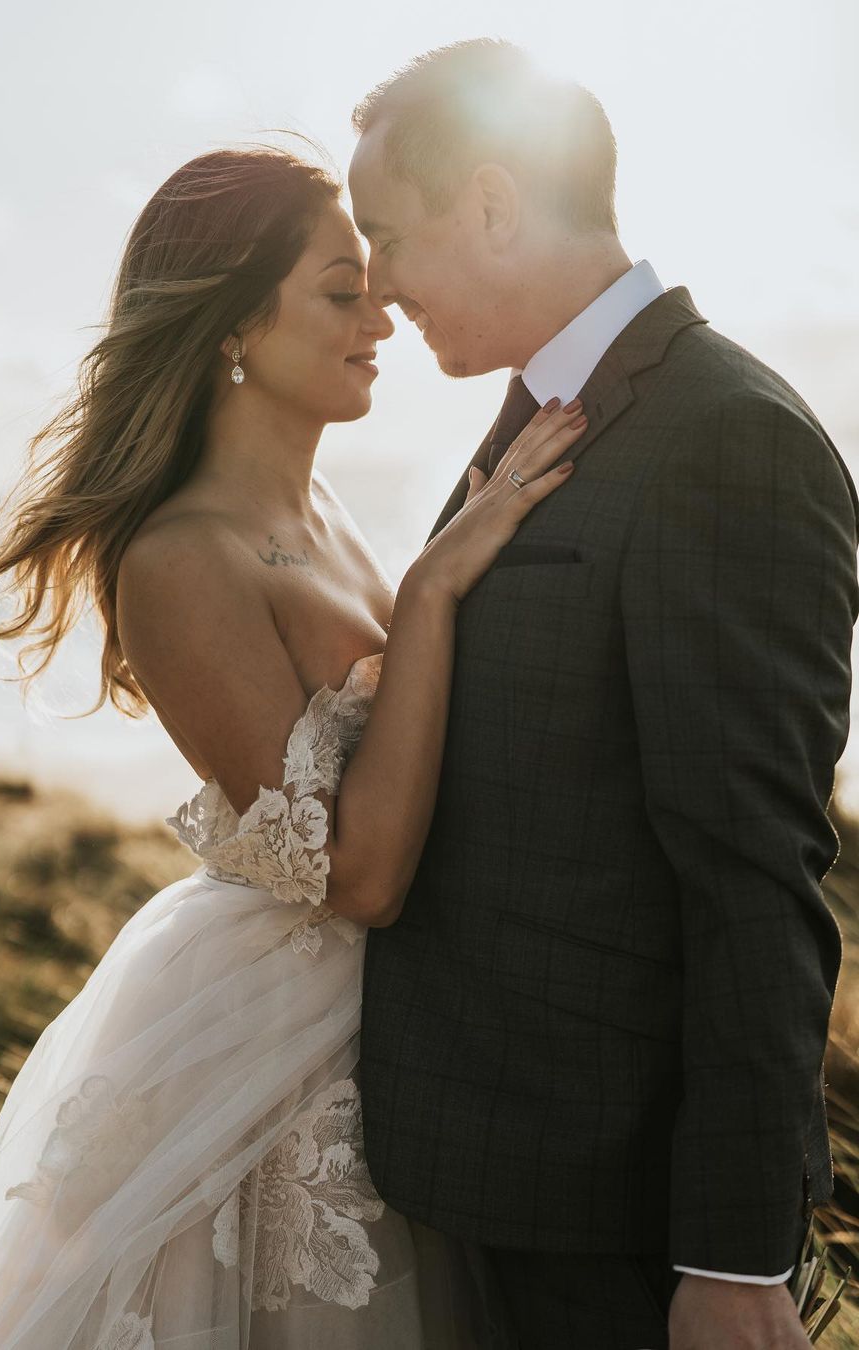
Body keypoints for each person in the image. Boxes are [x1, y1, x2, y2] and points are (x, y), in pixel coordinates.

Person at [0, 145, 585, 1348]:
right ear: (233, 330)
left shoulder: (330, 515)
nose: (383, 315)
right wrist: (431, 599)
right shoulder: (178, 561)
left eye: (376, 282)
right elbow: (358, 877)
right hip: (279, 1064)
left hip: (418, 1026)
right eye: (338, 291)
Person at [347, 37, 859, 1349]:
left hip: (617, 1228)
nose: (378, 280)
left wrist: (733, 1259)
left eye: (388, 235)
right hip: (500, 1184)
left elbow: (754, 874)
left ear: (496, 205)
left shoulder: (721, 436)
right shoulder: (545, 407)